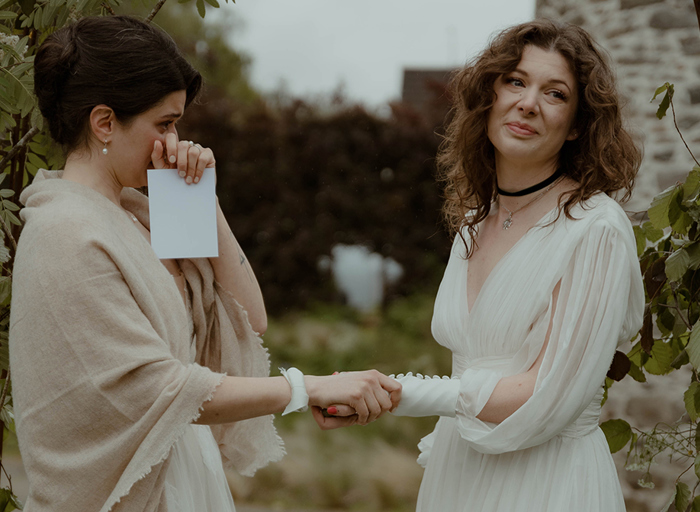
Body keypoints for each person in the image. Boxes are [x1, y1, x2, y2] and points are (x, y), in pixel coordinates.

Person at [11, 15, 400, 512]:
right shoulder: (66, 232)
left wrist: (200, 200)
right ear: (104, 121)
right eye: (165, 124)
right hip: (130, 491)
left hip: (184, 474)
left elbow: (244, 318)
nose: (174, 142)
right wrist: (309, 386)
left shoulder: (139, 214)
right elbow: (154, 388)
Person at [378, 19, 644, 511]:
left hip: (548, 482)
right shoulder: (475, 224)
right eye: (516, 81)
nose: (527, 103)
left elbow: (547, 393)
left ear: (578, 124)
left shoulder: (594, 230)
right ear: (490, 96)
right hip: (459, 475)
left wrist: (397, 395)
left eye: (555, 94)